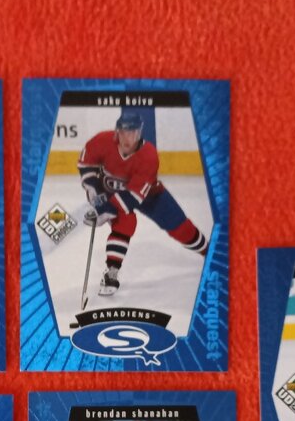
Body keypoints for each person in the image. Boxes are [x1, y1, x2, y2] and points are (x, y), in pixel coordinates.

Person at [76, 107, 208, 298]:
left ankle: (208, 252)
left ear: (139, 133)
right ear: (117, 132)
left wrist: (107, 208)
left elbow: (133, 197)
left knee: (181, 228)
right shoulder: (102, 141)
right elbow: (86, 164)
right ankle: (111, 272)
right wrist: (96, 194)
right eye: (124, 132)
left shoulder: (149, 155)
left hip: (150, 196)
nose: (128, 137)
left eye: (133, 132)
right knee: (126, 223)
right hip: (112, 191)